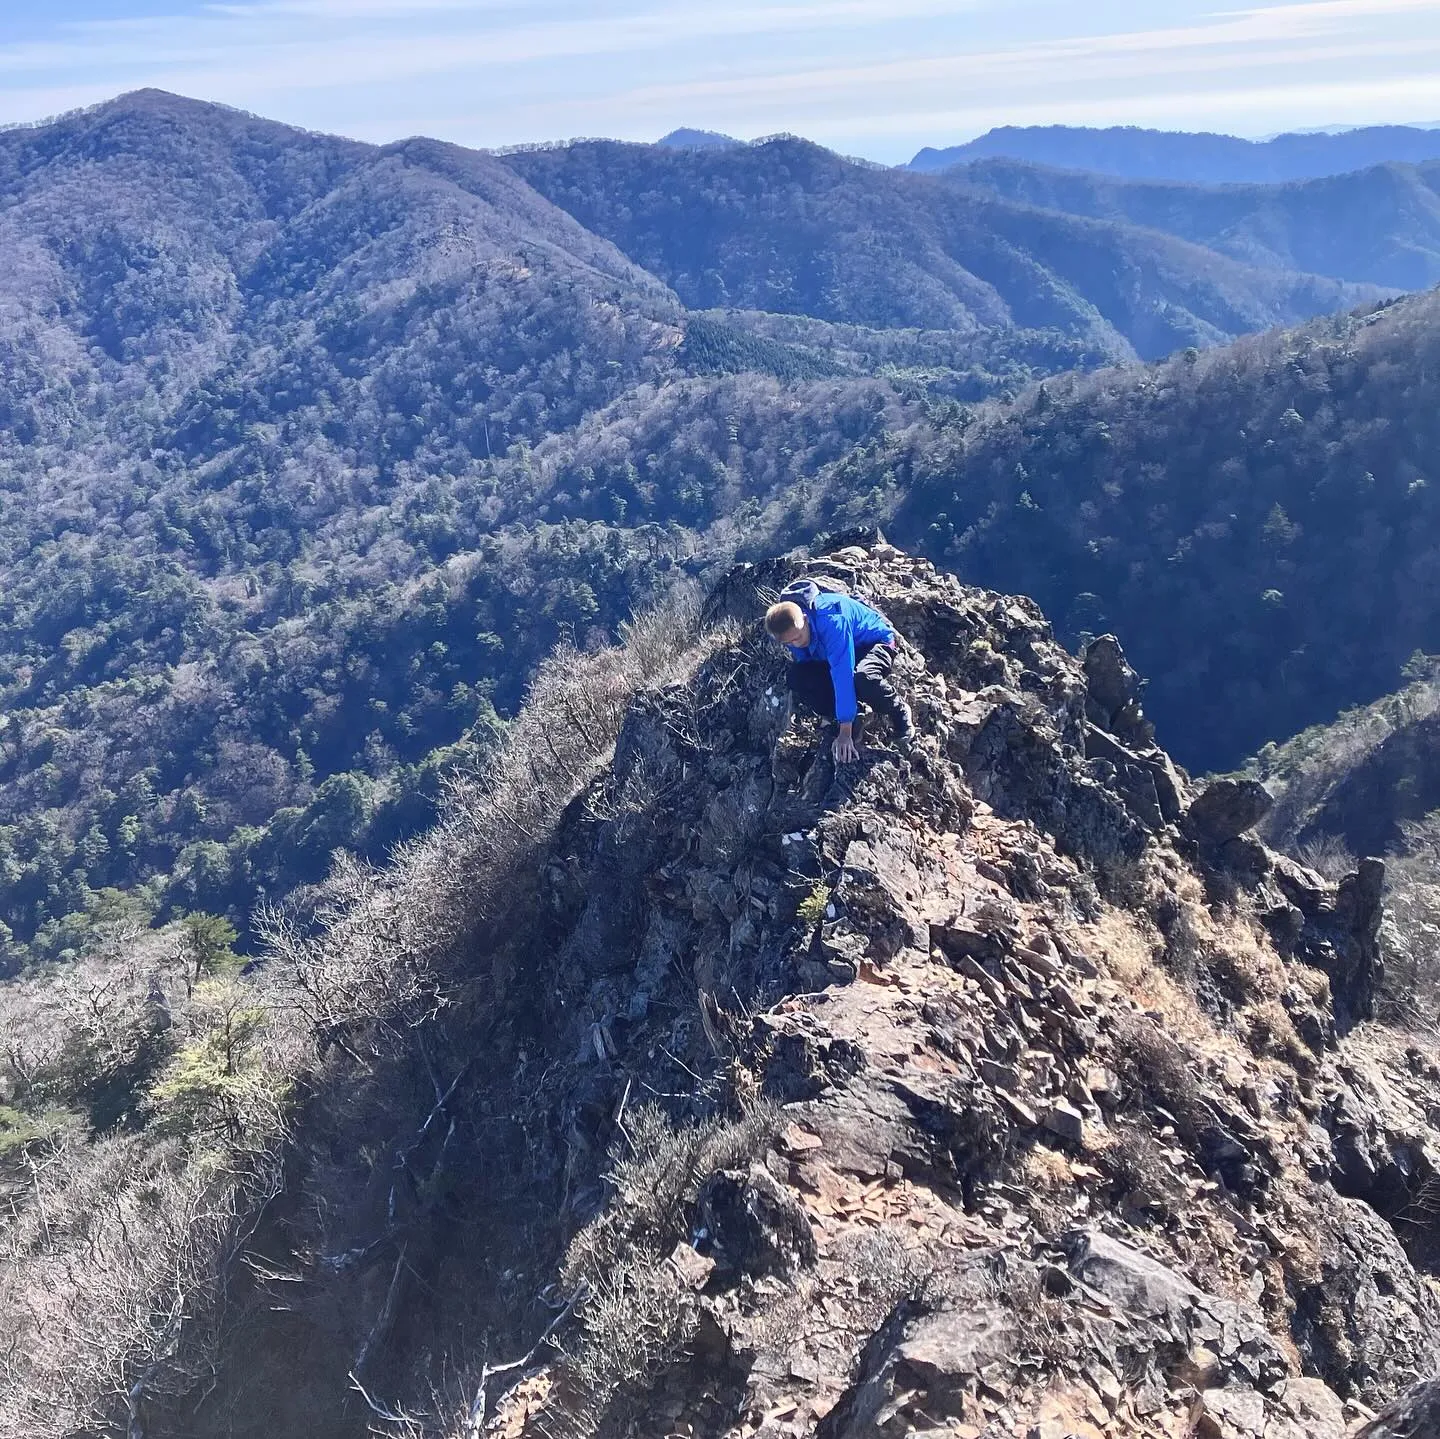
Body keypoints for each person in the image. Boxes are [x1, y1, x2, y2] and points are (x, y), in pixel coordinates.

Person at [764, 580, 914, 762]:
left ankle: (899, 711)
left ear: (805, 618)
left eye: (798, 637)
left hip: (872, 643)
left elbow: (842, 673)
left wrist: (845, 732)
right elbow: (807, 662)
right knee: (798, 678)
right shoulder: (788, 626)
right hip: (829, 651)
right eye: (789, 642)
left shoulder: (832, 620)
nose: (796, 644)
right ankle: (850, 715)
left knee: (863, 679)